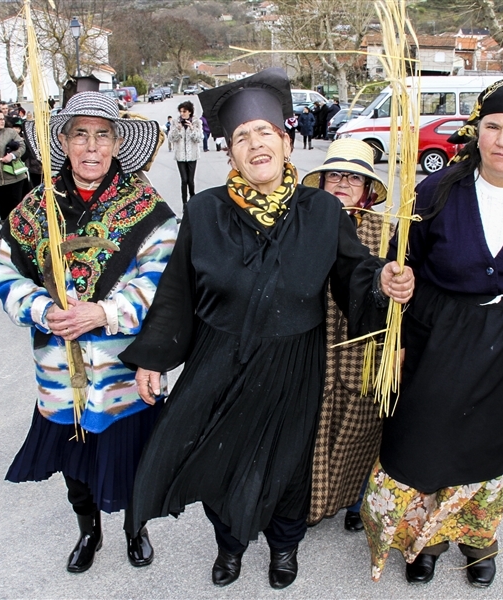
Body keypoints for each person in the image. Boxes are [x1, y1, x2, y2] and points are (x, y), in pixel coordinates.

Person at [119, 68, 414, 591]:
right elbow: (178, 291)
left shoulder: (322, 210)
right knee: (219, 455)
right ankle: (229, 547)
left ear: (286, 139)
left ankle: (284, 548)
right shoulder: (206, 211)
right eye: (240, 137)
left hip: (295, 360)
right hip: (219, 357)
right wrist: (152, 358)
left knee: (290, 464)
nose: (254, 143)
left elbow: (355, 276)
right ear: (229, 153)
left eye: (265, 132)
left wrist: (383, 282)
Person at [361, 78, 503, 588]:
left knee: (494, 448)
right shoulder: (438, 190)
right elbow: (401, 264)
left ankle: (476, 538)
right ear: (477, 131)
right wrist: (394, 318)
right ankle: (427, 538)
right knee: (425, 440)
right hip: (440, 336)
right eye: (493, 126)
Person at [0, 92, 176, 573]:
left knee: (133, 455)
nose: (90, 147)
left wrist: (104, 313)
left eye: (101, 135)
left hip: (125, 370)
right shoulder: (36, 207)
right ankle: (88, 530)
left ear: (116, 143)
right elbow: (5, 273)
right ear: (64, 142)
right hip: (59, 370)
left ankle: (136, 527)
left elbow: (162, 280)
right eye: (79, 134)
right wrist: (40, 309)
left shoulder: (147, 208)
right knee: (76, 463)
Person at [302, 139, 392, 532]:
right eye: (334, 175)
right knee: (312, 431)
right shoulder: (303, 224)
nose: (342, 183)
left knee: (361, 428)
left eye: (353, 177)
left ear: (368, 189)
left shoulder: (386, 232)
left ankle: (356, 501)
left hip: (364, 351)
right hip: (314, 347)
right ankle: (306, 504)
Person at [0, 107, 27, 239]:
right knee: (2, 206)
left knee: (16, 204)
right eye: (0, 119)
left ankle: (19, 232)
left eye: (3, 118)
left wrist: (12, 156)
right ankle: (5, 231)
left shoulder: (10, 132)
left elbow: (23, 146)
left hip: (14, 177)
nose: (3, 121)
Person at [169, 100, 203, 207]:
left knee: (190, 180)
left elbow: (199, 139)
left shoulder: (197, 122)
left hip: (192, 156)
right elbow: (171, 138)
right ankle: (184, 203)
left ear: (190, 112)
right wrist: (177, 130)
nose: (182, 114)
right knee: (184, 180)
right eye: (181, 111)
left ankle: (192, 199)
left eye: (184, 111)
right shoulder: (175, 122)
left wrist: (192, 128)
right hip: (180, 156)